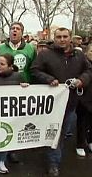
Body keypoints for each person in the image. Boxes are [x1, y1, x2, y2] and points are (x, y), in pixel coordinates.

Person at [30, 27, 92, 176]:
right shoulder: (45, 54)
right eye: (59, 37)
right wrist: (49, 79)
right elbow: (34, 70)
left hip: (70, 103)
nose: (62, 39)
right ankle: (52, 161)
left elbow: (89, 70)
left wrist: (81, 80)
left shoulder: (79, 55)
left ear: (70, 38)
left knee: (61, 133)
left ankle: (53, 160)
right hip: (49, 104)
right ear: (54, 38)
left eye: (65, 36)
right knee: (52, 133)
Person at [75, 44, 92, 157]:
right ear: (87, 52)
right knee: (82, 122)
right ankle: (80, 144)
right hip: (84, 97)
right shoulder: (83, 63)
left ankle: (90, 141)